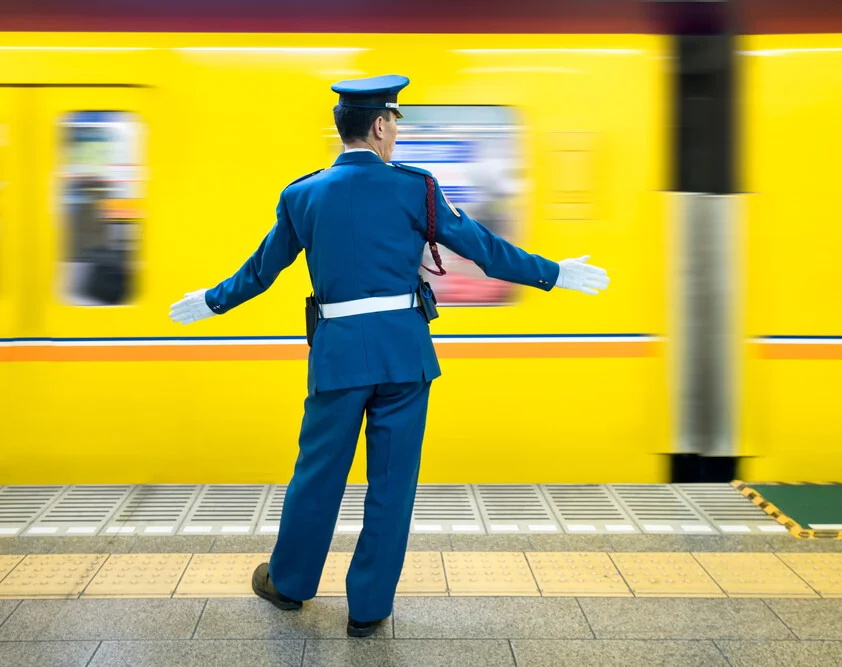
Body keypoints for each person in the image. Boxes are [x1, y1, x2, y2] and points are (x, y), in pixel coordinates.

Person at [168, 74, 609, 637]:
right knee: (392, 485)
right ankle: (369, 607)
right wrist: (553, 273)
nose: (396, 132)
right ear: (378, 125)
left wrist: (211, 302)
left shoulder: (301, 195)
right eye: (395, 122)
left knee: (317, 476)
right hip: (405, 357)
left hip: (337, 358)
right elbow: (483, 251)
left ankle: (290, 584)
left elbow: (260, 271)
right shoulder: (416, 190)